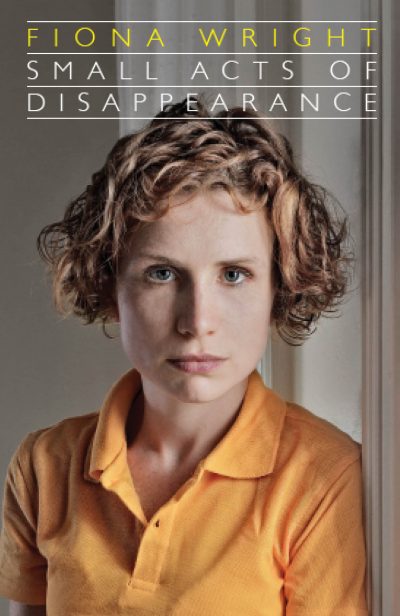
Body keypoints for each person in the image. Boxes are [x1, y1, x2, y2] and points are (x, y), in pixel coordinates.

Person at [0, 98, 368, 615]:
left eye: (234, 275)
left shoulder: (323, 477)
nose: (197, 321)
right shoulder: (44, 465)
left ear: (279, 288)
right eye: (162, 273)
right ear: (110, 286)